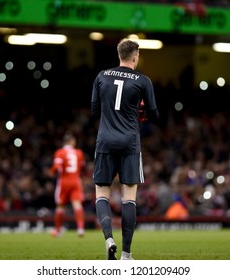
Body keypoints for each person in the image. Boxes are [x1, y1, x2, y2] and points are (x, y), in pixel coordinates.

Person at [91, 39, 159, 260]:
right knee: (128, 198)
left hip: (105, 141)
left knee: (102, 193)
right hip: (129, 143)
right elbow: (154, 115)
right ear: (135, 56)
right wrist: (140, 113)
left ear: (119, 54)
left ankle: (109, 239)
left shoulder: (102, 76)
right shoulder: (143, 81)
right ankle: (127, 254)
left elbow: (94, 111)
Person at [49, 132, 86, 237]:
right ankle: (80, 229)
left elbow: (56, 166)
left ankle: (58, 230)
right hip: (75, 181)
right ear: (71, 141)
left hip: (64, 182)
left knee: (60, 206)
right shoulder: (79, 153)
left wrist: (51, 172)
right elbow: (83, 167)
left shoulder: (60, 152)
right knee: (77, 204)